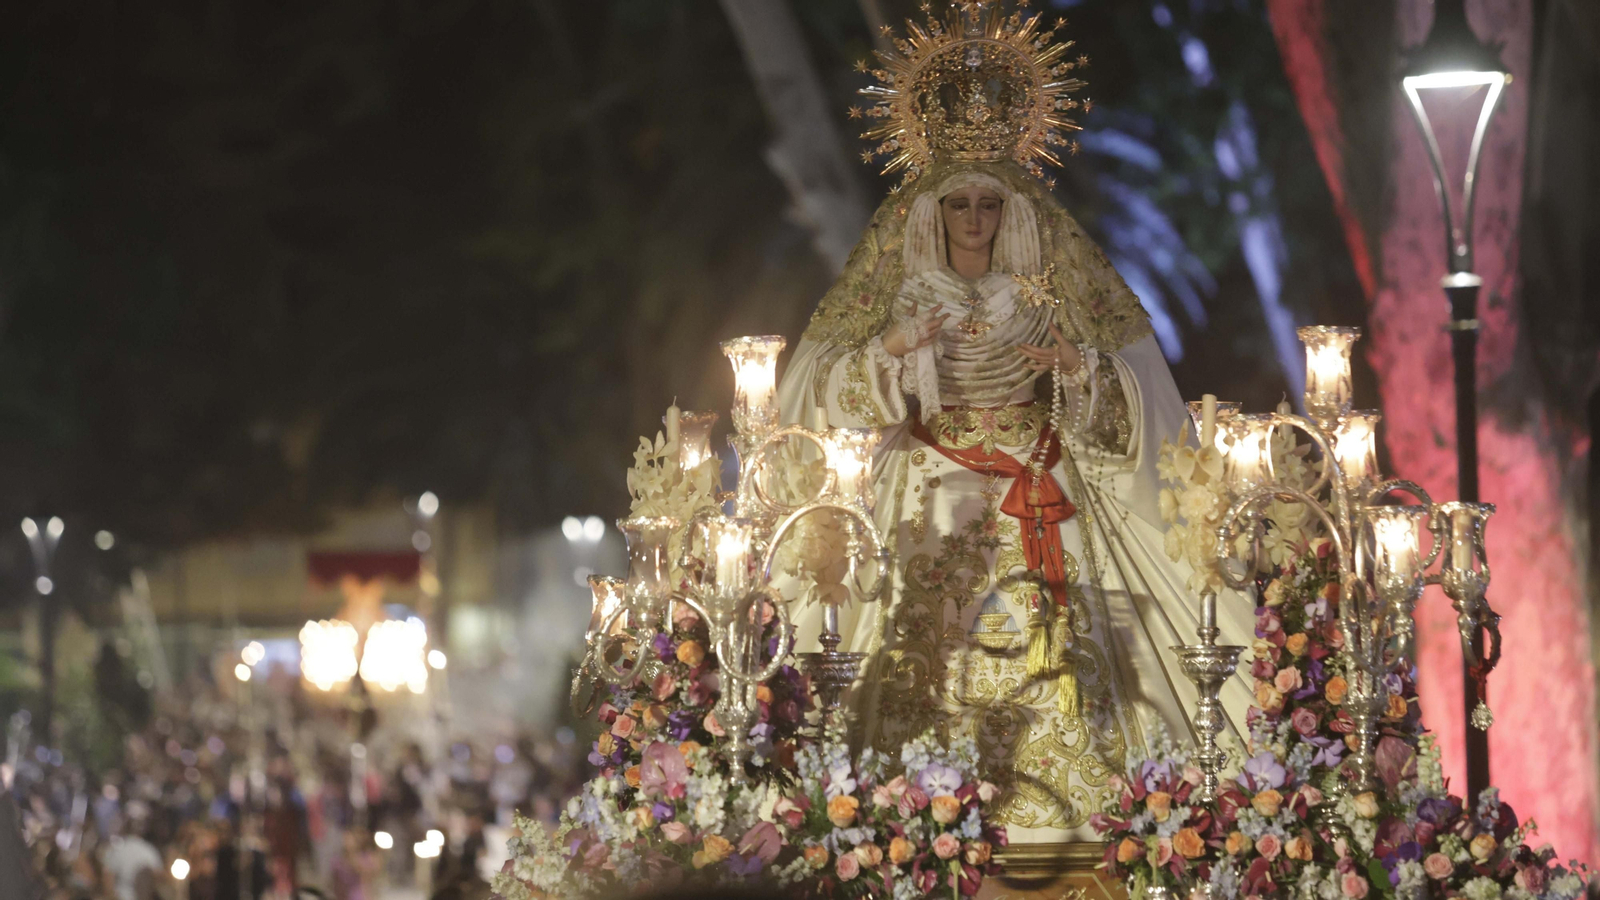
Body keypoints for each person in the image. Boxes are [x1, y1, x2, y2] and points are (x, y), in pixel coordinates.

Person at [775, 4, 1253, 845]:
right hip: (931, 484)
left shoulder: (1043, 287)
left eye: (986, 205)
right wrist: (892, 352)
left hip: (1042, 478)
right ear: (934, 210)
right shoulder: (904, 283)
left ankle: (1088, 829)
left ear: (1008, 210)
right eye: (956, 203)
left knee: (1074, 655)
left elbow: (1132, 395)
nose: (971, 219)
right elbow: (823, 391)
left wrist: (1076, 371)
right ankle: (905, 827)